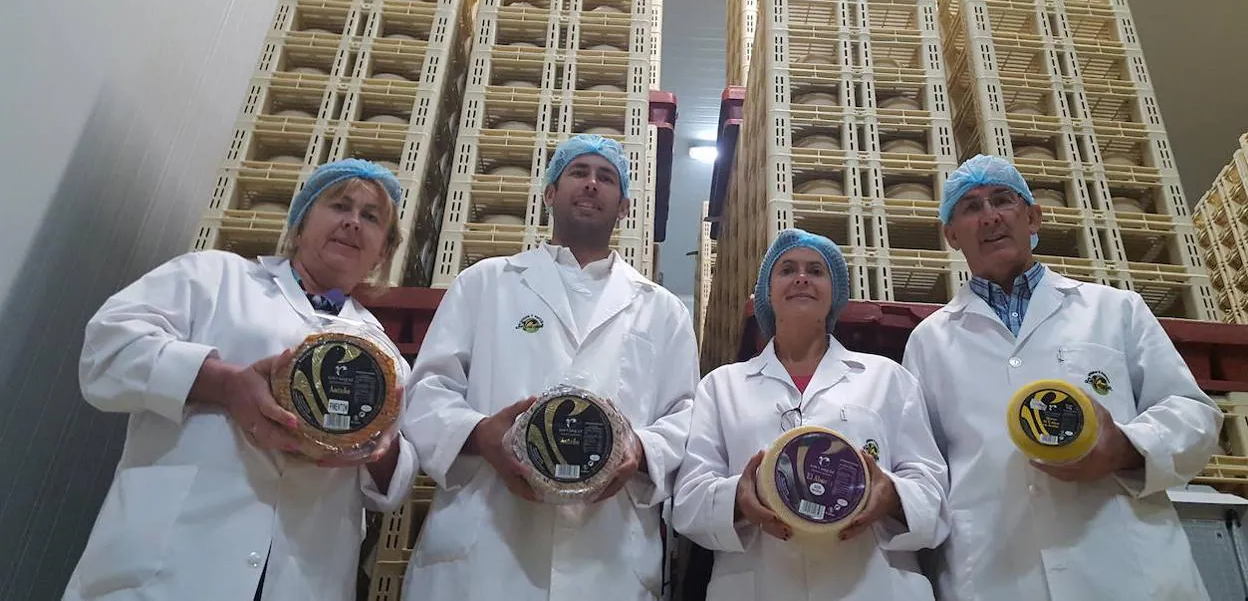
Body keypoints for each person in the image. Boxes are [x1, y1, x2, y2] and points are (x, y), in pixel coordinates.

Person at [64, 159, 419, 601]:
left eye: (371, 217)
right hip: (172, 565)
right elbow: (105, 352)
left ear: (383, 250)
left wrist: (378, 451)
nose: (352, 222)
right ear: (301, 219)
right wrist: (224, 384)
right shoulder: (213, 276)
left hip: (303, 577)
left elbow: (396, 483)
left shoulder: (383, 355)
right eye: (339, 205)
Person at [902, 154, 1222, 600]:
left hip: (1128, 571)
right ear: (951, 235)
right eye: (970, 207)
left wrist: (1126, 448)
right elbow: (926, 470)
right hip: (997, 574)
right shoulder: (928, 342)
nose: (990, 216)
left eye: (1003, 200)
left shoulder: (1114, 309)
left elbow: (1192, 414)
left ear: (1033, 217)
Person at [403, 133, 699, 601]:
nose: (590, 184)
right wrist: (481, 435)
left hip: (606, 555)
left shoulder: (662, 309)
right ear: (549, 194)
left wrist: (638, 451)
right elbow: (427, 390)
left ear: (623, 207)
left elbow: (686, 416)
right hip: (487, 546)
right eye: (578, 173)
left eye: (606, 178)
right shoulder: (485, 283)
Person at [673, 228, 949, 600]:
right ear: (768, 291)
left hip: (874, 584)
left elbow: (932, 490)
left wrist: (892, 495)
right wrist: (738, 497)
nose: (802, 277)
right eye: (787, 269)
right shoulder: (722, 387)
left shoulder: (888, 378)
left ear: (834, 292)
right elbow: (688, 501)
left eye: (816, 271)